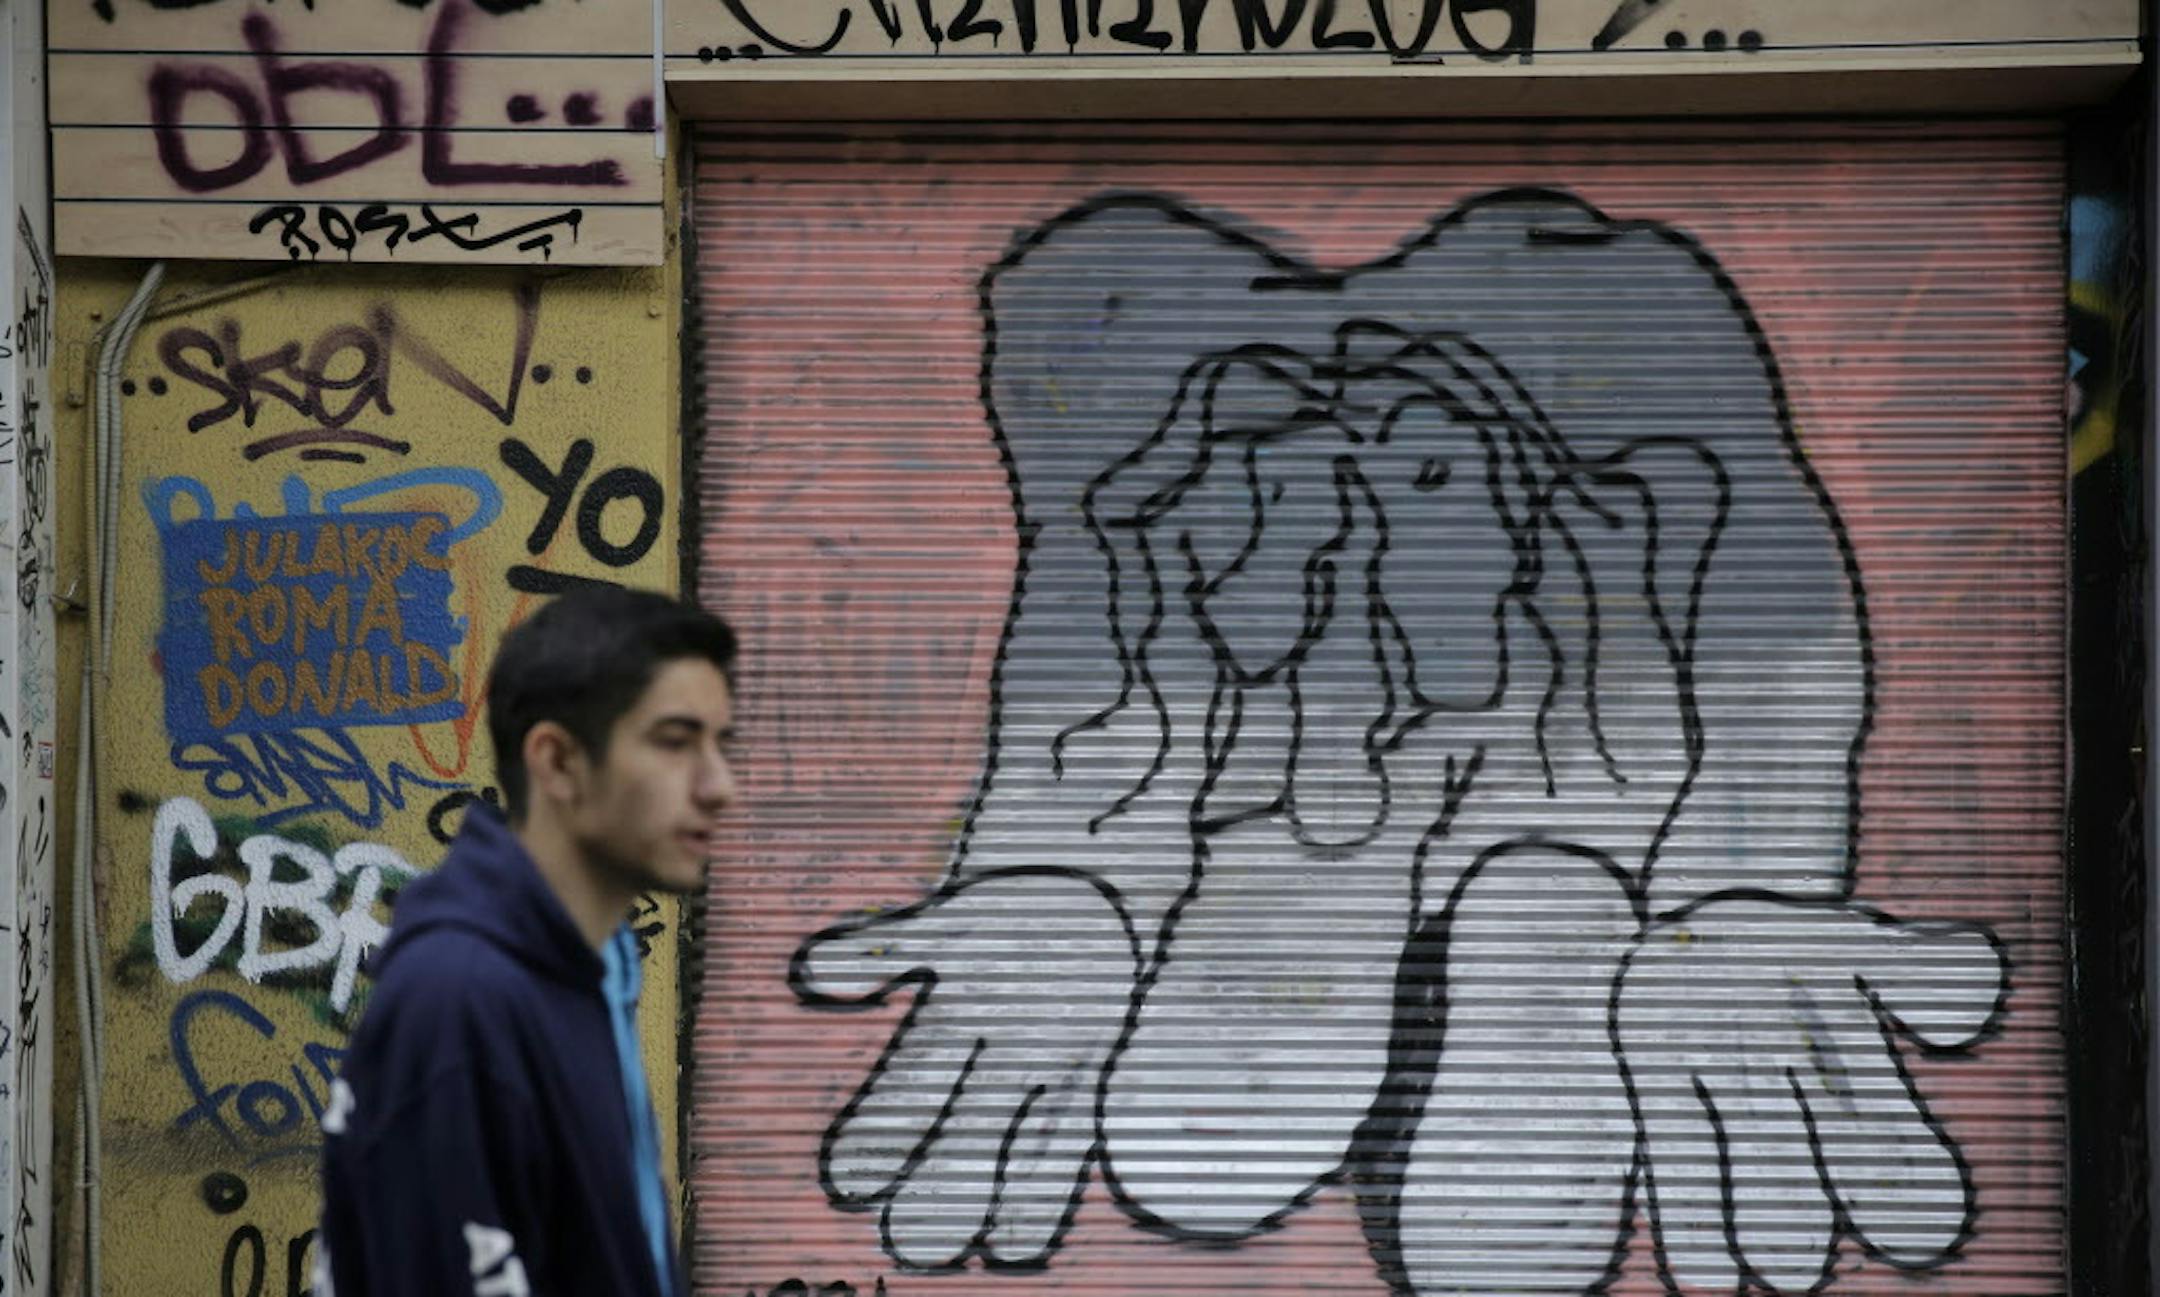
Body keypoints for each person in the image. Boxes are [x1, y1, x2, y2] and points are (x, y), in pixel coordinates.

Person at [315, 586, 740, 1297]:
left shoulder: (600, 959)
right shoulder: (459, 997)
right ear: (558, 761)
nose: (719, 784)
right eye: (675, 742)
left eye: (720, 744)